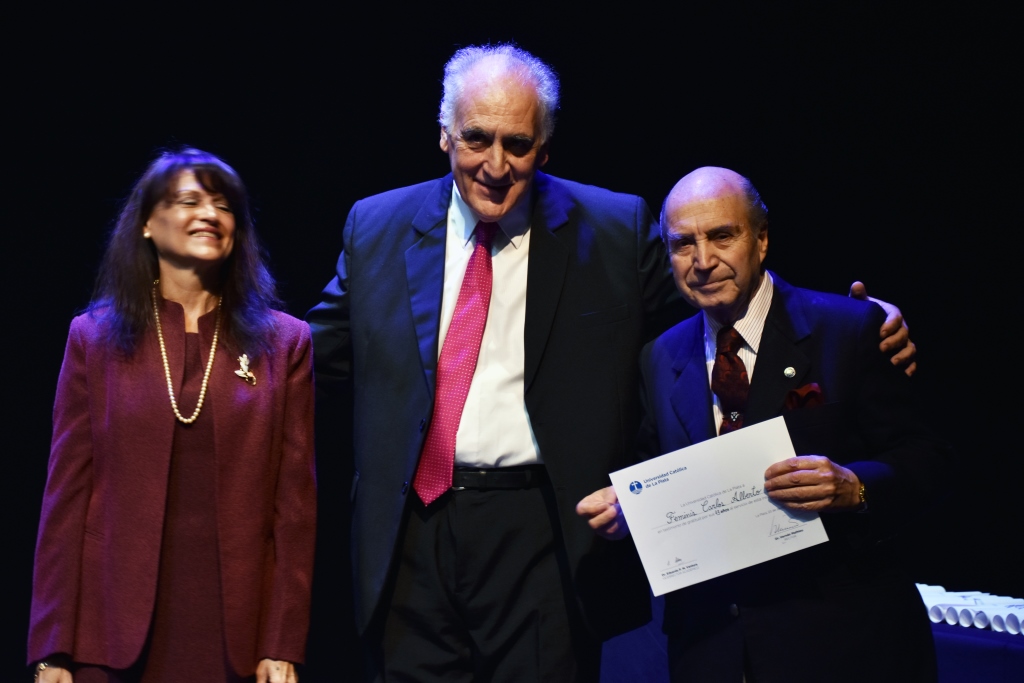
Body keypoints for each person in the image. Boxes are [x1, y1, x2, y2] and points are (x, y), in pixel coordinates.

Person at [307, 46, 915, 682]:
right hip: (411, 534)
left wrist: (856, 319)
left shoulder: (613, 229)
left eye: (517, 144)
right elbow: (310, 354)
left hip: (545, 534)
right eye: (476, 139)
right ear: (443, 134)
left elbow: (719, 291)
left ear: (545, 149)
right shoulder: (376, 225)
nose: (495, 165)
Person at [577, 166, 942, 682]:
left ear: (762, 239)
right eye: (683, 244)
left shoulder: (850, 328)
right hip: (710, 652)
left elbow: (923, 460)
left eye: (722, 236)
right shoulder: (661, 358)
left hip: (843, 647)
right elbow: (656, 470)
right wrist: (627, 508)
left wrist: (855, 488)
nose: (703, 262)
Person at [28, 148, 317, 683]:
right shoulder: (92, 338)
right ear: (146, 224)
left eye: (224, 204)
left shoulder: (286, 342)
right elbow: (64, 500)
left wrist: (282, 642)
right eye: (189, 200)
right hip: (107, 633)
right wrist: (52, 649)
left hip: (237, 636)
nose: (210, 213)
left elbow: (294, 511)